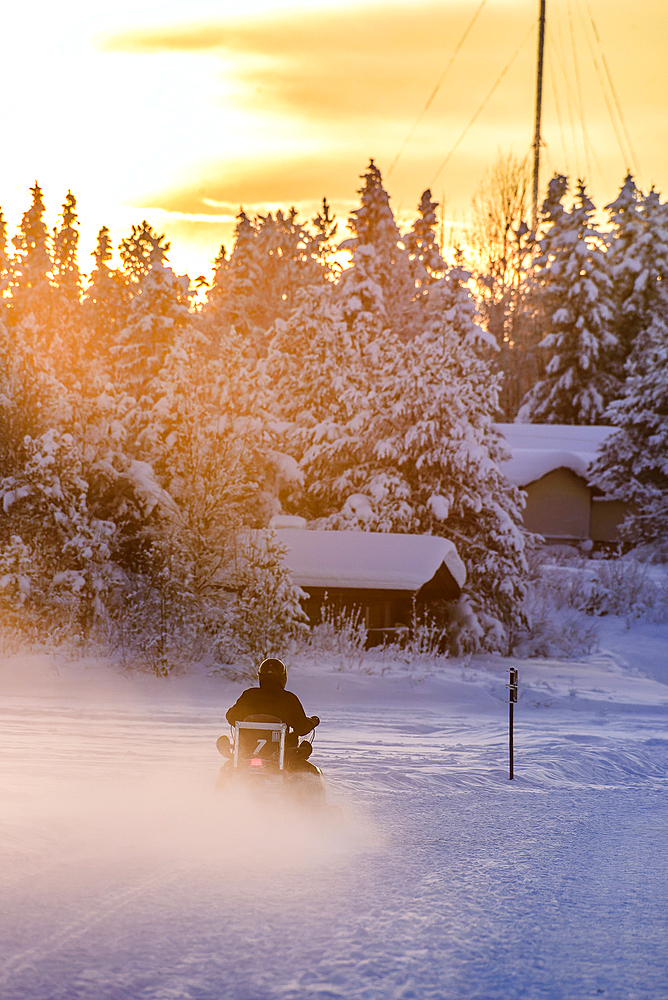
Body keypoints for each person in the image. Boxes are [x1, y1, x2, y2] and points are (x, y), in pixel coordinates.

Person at [224, 657, 320, 772]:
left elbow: (231, 716)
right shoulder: (289, 699)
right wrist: (311, 722)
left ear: (260, 676)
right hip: (281, 759)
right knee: (312, 772)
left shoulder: (249, 695)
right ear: (283, 678)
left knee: (226, 769)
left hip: (247, 755)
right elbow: (302, 728)